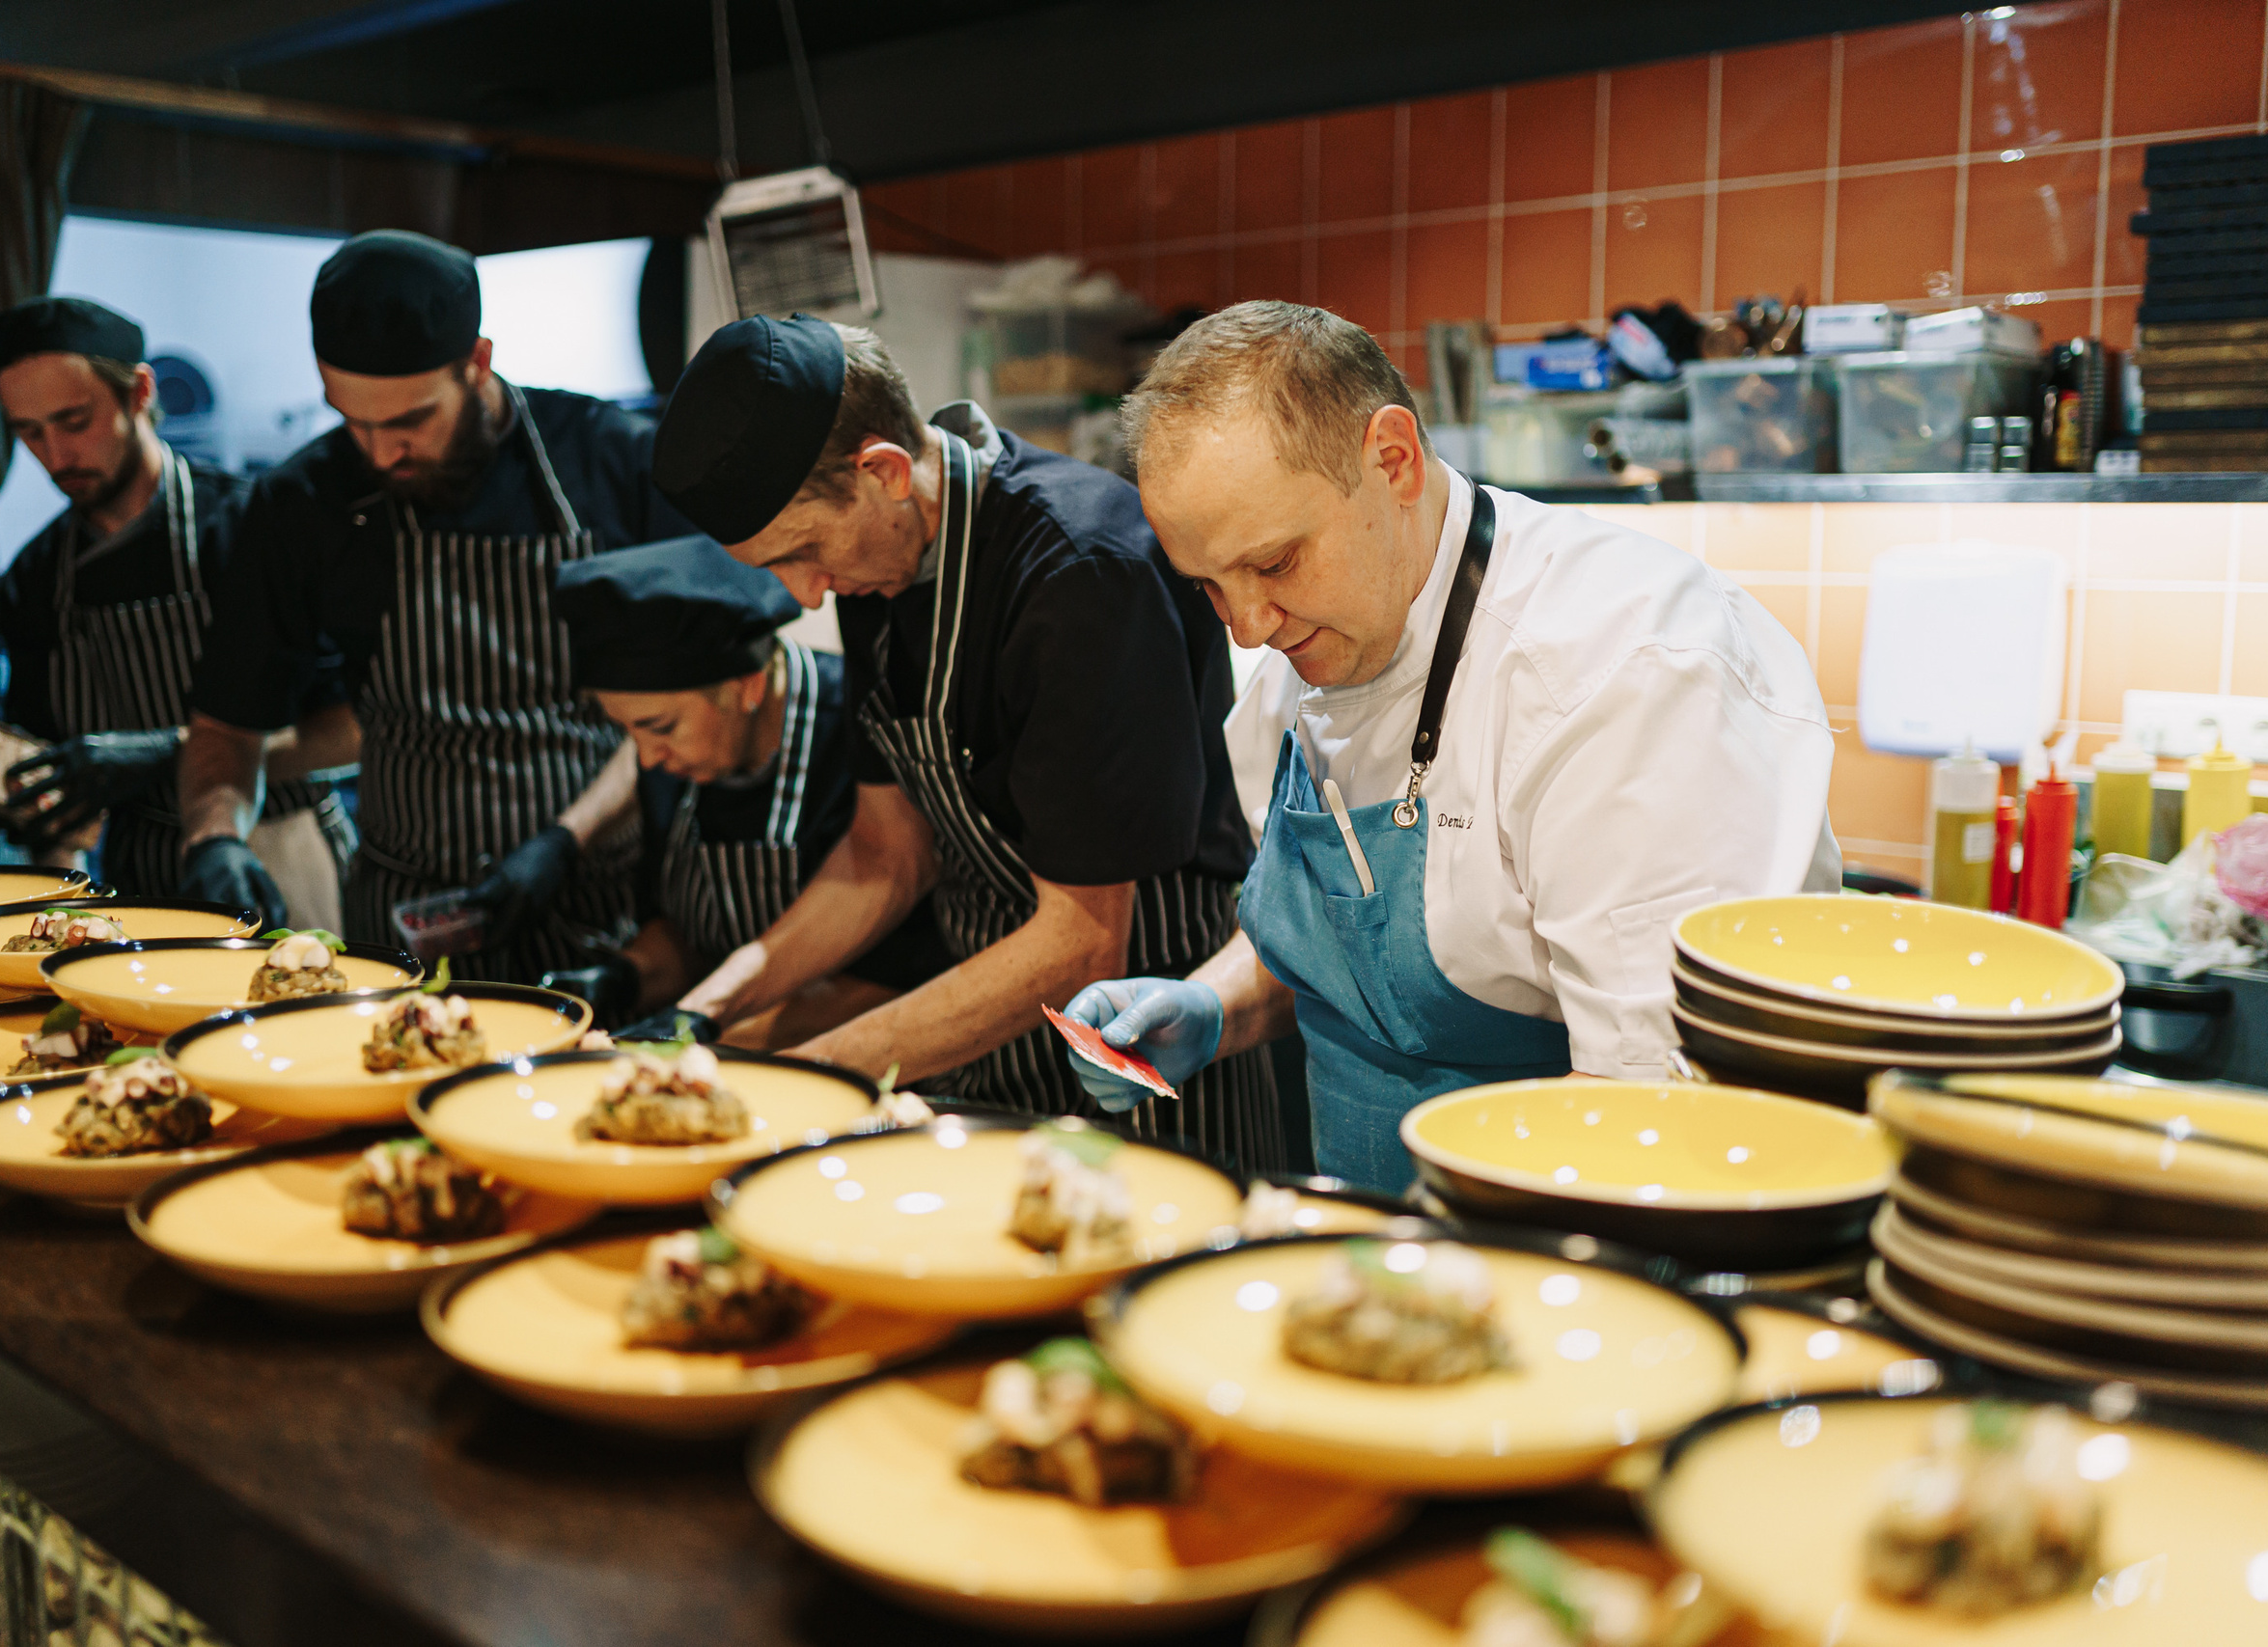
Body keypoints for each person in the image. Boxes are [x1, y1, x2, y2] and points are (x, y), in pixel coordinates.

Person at [1061, 303, 1840, 1193]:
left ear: (1391, 459)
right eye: (1210, 586)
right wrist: (1219, 1001)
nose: (1246, 629)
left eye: (1275, 563)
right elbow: (1370, 948)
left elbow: (1650, 1103)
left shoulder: (1627, 670)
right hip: (1375, 1245)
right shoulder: (1306, 643)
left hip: (1580, 1262)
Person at [646, 315, 1285, 1170]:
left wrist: (812, 1075)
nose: (804, 596)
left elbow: (1082, 938)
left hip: (1139, 1056)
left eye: (803, 552)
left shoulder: (1077, 573)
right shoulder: (885, 568)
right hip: (976, 1045)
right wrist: (703, 1010)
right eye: (774, 569)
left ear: (883, 472)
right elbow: (884, 855)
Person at [178, 230, 691, 971]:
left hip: (593, 910)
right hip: (397, 931)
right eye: (354, 421)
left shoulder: (609, 461)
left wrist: (562, 839)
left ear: (477, 363)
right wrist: (214, 835)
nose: (381, 453)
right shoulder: (301, 503)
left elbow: (677, 710)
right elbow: (227, 728)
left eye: (410, 421)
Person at [0, 297, 357, 916]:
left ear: (139, 391)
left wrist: (169, 751)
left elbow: (349, 728)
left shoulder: (251, 528)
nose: (54, 456)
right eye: (29, 433)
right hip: (137, 870)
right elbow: (47, 771)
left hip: (274, 850)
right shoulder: (37, 576)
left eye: (73, 422)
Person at [546, 535, 948, 1039]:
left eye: (661, 727)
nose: (647, 758)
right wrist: (624, 979)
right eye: (627, 731)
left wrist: (693, 1043)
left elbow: (893, 980)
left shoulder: (866, 732)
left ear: (748, 686)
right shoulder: (674, 765)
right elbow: (686, 936)